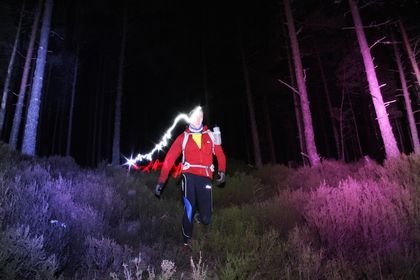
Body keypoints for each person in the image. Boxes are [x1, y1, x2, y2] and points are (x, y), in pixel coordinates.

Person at [154, 106, 226, 251]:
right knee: (189, 208)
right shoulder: (183, 137)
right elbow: (169, 158)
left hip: (205, 178)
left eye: (201, 116)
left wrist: (222, 170)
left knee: (207, 218)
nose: (199, 119)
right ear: (190, 118)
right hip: (189, 177)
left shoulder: (211, 136)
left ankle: (199, 215)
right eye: (196, 116)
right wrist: (162, 181)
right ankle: (185, 242)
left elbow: (220, 154)